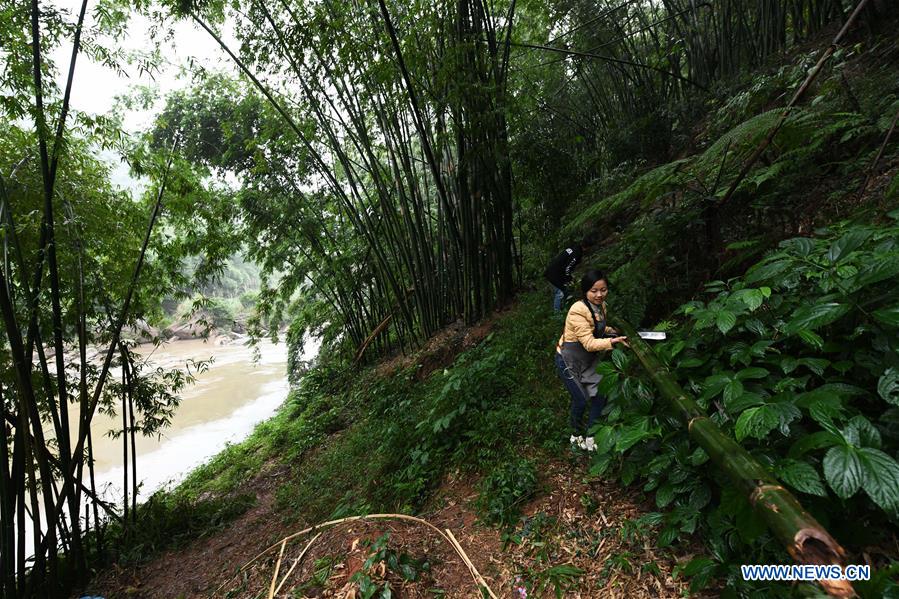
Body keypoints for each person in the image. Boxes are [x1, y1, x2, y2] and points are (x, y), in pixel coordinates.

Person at [555, 270, 627, 451]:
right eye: (594, 290)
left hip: (588, 359)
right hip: (569, 359)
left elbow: (597, 327)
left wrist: (612, 331)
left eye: (603, 290)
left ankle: (591, 436)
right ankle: (575, 434)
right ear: (585, 291)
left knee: (599, 394)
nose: (599, 295)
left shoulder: (602, 306)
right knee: (580, 399)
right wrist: (611, 342)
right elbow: (588, 342)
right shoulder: (577, 310)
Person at [544, 234, 595, 312]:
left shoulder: (574, 247)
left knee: (566, 292)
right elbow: (567, 268)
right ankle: (557, 315)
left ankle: (565, 309)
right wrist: (569, 279)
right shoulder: (576, 253)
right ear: (588, 247)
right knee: (559, 293)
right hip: (553, 274)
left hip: (555, 272)